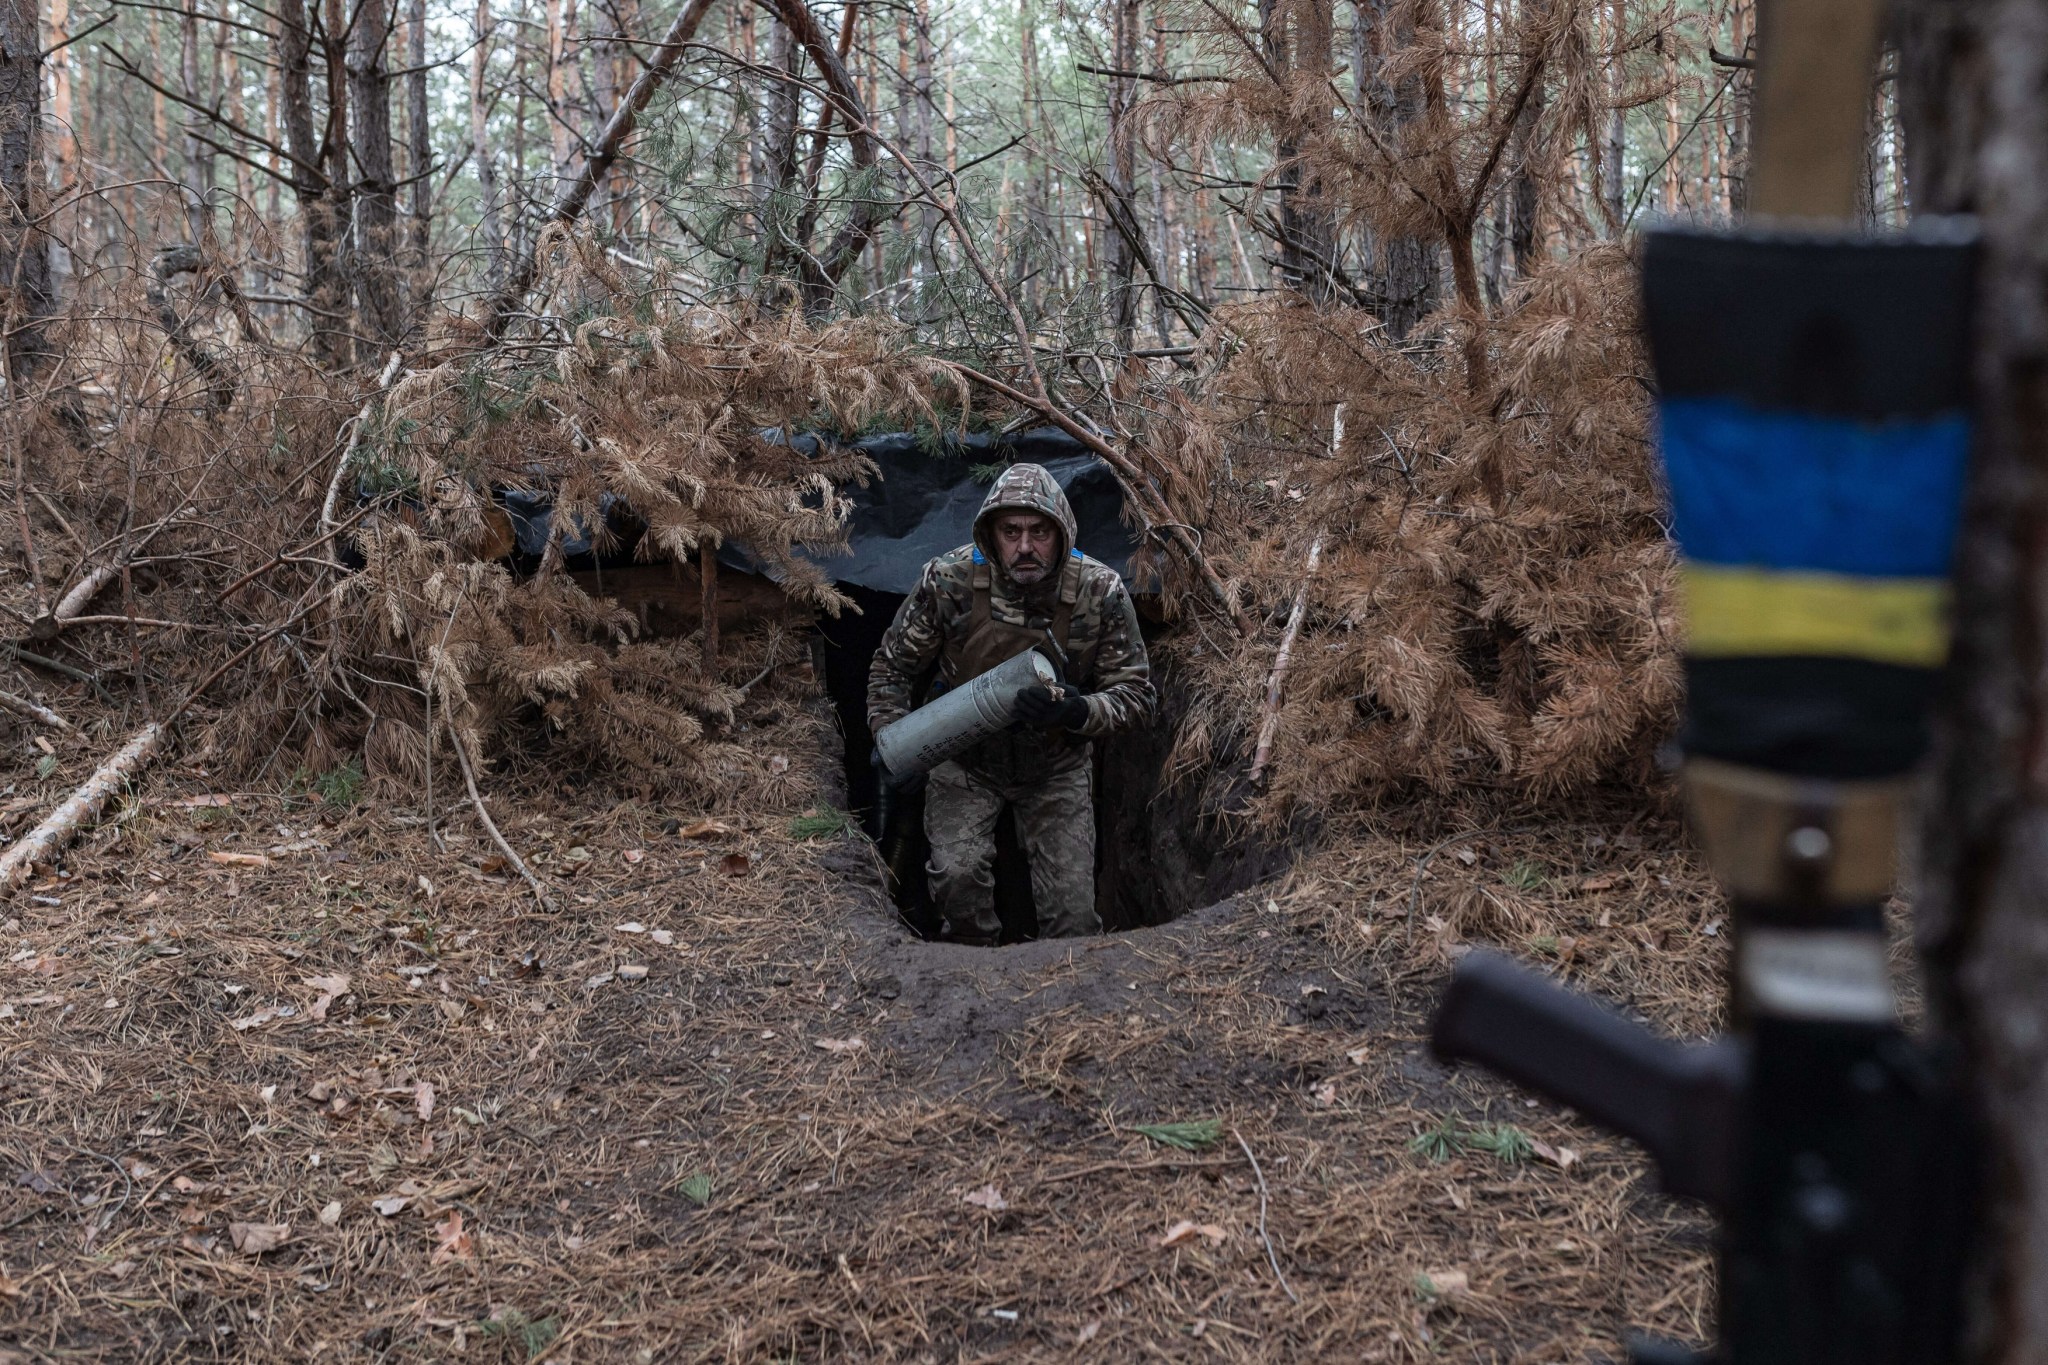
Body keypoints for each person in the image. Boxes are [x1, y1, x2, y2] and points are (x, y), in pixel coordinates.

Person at [867, 463, 1155, 943]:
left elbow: (1137, 694)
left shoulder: (1099, 590)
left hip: (1056, 766)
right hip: (964, 761)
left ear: (1061, 534)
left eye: (1039, 532)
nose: (1024, 547)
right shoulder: (949, 581)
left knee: (1074, 922)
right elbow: (892, 668)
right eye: (1011, 532)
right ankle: (973, 973)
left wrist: (1078, 711)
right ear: (991, 535)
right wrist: (897, 740)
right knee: (957, 882)